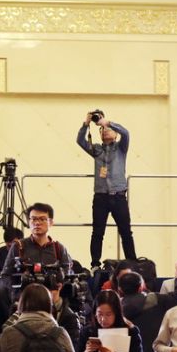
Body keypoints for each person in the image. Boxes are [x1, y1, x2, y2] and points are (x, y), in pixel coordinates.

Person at [77, 111, 136, 268]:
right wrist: (86, 123)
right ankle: (95, 264)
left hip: (118, 196)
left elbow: (126, 133)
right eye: (102, 130)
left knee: (126, 232)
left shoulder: (121, 148)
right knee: (97, 232)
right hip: (101, 197)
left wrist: (107, 122)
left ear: (115, 134)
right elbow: (80, 141)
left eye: (108, 129)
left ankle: (132, 263)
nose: (105, 131)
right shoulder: (97, 149)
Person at [0, 203, 74, 312]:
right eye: (33, 219)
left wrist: (58, 288)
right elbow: (6, 274)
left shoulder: (58, 248)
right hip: (25, 300)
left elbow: (68, 274)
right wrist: (17, 293)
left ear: (51, 222)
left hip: (51, 300)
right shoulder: (18, 246)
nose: (37, 223)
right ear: (28, 222)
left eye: (42, 219)